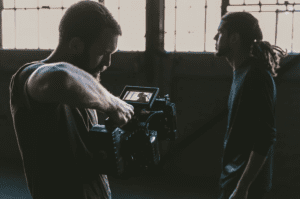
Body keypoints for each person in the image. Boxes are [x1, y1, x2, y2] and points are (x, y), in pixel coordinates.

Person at [9, 1, 134, 199]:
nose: (108, 63)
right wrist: (113, 104)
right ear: (76, 45)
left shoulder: (85, 84)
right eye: (103, 53)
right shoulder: (27, 76)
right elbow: (61, 78)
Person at [213, 12, 287, 199]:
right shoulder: (242, 73)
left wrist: (243, 186)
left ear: (234, 38)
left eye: (220, 32)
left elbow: (265, 136)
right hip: (232, 177)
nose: (215, 37)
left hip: (246, 187)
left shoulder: (256, 76)